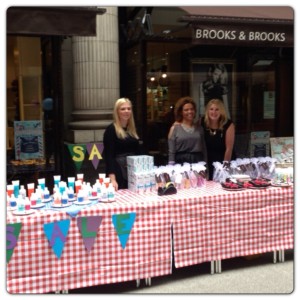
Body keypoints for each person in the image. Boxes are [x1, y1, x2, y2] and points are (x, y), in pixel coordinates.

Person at [103, 98, 141, 190]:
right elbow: (109, 155)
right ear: (117, 112)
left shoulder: (133, 129)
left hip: (134, 170)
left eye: (129, 108)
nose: (126, 111)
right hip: (118, 170)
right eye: (123, 109)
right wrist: (112, 179)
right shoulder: (111, 130)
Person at [200, 98, 236, 180]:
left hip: (223, 160)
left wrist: (224, 168)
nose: (214, 112)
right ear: (207, 111)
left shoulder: (228, 124)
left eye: (217, 110)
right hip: (208, 161)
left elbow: (229, 149)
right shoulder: (202, 122)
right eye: (211, 109)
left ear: (221, 111)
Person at [168, 96, 207, 165]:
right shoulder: (175, 128)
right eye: (186, 110)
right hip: (180, 163)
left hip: (198, 162)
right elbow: (171, 151)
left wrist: (205, 165)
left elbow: (204, 149)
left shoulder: (199, 128)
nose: (190, 112)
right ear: (181, 112)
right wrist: (171, 166)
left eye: (192, 109)